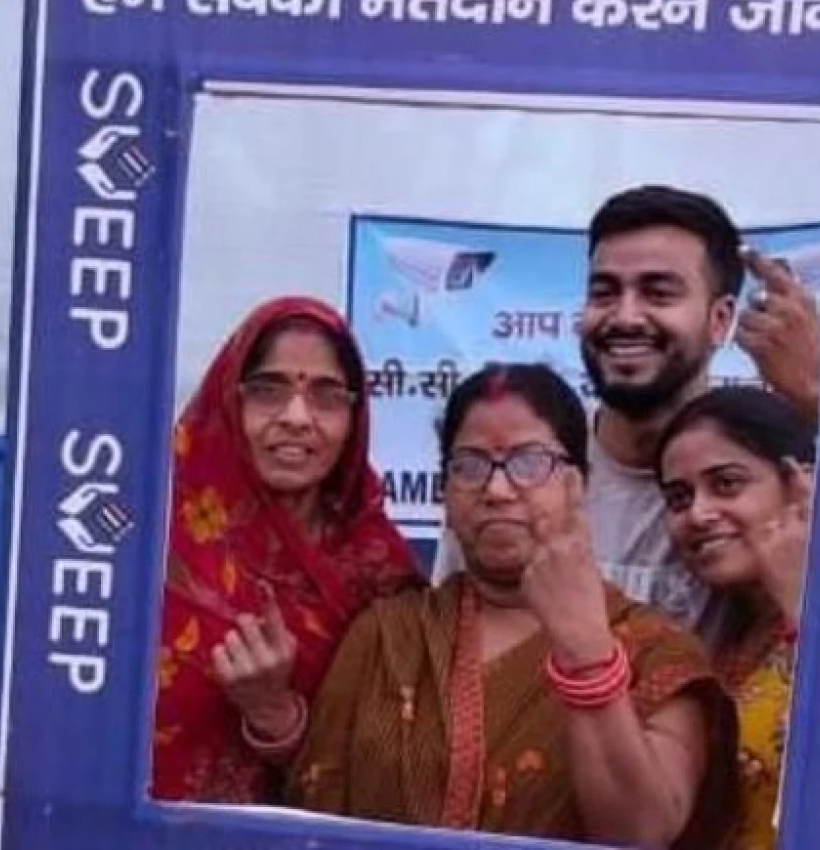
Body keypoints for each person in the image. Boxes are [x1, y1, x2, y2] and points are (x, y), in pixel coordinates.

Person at [286, 363, 737, 848]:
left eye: (529, 462)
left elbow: (641, 833)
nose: (497, 491)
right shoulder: (384, 634)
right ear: (445, 491)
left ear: (579, 483)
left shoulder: (657, 651)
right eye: (470, 465)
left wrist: (587, 652)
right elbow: (310, 816)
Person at [430, 184, 820, 637]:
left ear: (720, 320)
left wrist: (816, 395)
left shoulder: (771, 481)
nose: (625, 317)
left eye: (658, 294)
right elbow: (449, 640)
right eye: (604, 293)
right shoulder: (519, 472)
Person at [149, 297, 421, 804]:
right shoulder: (149, 529)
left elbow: (398, 772)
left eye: (326, 396)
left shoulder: (379, 575)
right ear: (229, 400)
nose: (297, 417)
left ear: (355, 417)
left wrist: (274, 714)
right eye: (268, 391)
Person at [656, 386, 816, 850]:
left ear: (799, 484)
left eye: (727, 484)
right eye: (679, 498)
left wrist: (800, 602)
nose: (698, 514)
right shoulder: (717, 638)